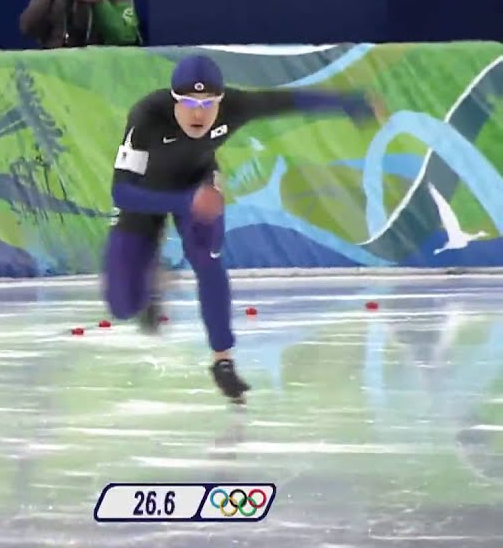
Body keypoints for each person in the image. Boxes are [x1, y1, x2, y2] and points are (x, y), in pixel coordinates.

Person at [104, 54, 381, 403]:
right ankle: (152, 277)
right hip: (145, 195)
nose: (198, 113)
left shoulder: (238, 106)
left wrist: (348, 103)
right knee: (122, 307)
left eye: (208, 103)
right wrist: (185, 202)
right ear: (174, 101)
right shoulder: (146, 117)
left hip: (199, 184)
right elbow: (121, 191)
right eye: (189, 102)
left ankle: (223, 360)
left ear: (222, 102)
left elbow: (288, 101)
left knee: (207, 259)